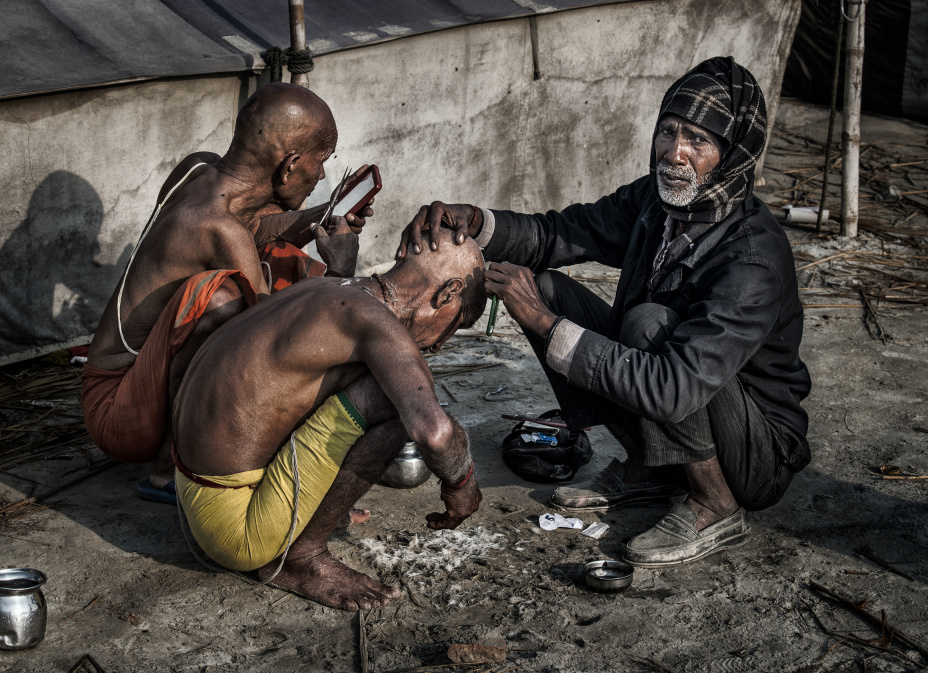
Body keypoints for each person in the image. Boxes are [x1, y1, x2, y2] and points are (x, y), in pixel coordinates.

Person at [397, 57, 811, 567]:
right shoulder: (656, 204)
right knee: (546, 288)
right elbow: (561, 234)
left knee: (644, 325)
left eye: (698, 141)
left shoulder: (752, 257)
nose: (674, 153)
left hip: (753, 450)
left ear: (733, 155)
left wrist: (548, 327)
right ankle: (648, 470)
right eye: (668, 131)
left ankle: (714, 503)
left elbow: (673, 387)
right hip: (687, 408)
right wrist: (476, 220)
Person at [82, 83, 371, 503]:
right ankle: (169, 469)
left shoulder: (197, 170)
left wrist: (316, 219)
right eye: (321, 162)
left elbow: (251, 225)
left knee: (285, 264)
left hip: (125, 387)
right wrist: (342, 268)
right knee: (224, 301)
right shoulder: (218, 229)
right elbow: (267, 349)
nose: (323, 175)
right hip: (118, 413)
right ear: (289, 165)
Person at [170, 231, 486, 610]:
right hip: (237, 531)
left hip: (192, 491)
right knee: (395, 398)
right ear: (448, 293)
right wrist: (462, 485)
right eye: (453, 326)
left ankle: (309, 518)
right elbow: (435, 433)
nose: (436, 346)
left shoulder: (326, 286)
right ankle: (300, 558)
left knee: (368, 380)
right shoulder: (376, 322)